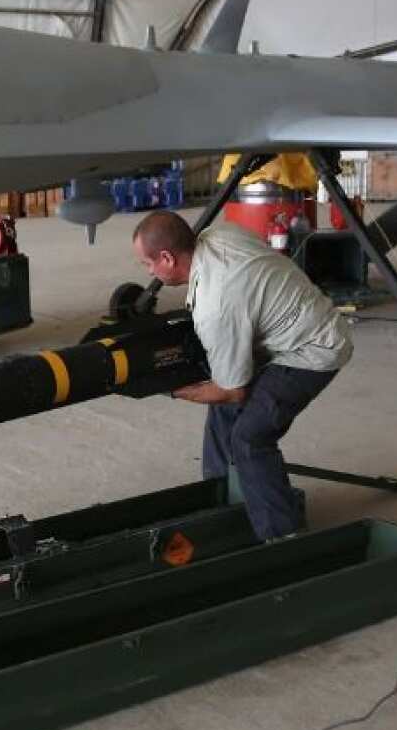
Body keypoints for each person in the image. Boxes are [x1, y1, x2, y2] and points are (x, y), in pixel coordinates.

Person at [133, 210, 352, 541]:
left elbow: (232, 390)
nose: (149, 271)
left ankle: (284, 537)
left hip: (313, 350)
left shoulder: (215, 306)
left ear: (167, 258)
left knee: (250, 438)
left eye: (148, 264)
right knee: (224, 410)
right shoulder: (219, 234)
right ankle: (223, 500)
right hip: (297, 322)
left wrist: (169, 389)